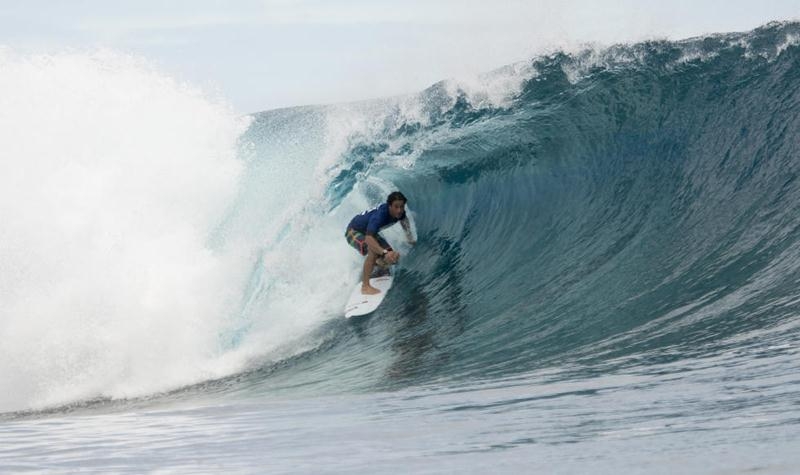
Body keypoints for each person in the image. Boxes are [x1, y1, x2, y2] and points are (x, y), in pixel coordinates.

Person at [345, 191, 416, 295]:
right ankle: (365, 287)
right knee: (373, 251)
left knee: (392, 258)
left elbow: (404, 220)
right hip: (353, 232)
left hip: (369, 232)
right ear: (389, 206)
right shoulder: (381, 215)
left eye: (401, 207)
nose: (399, 210)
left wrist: (409, 237)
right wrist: (383, 253)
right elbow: (369, 239)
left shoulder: (400, 213)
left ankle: (375, 265)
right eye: (396, 207)